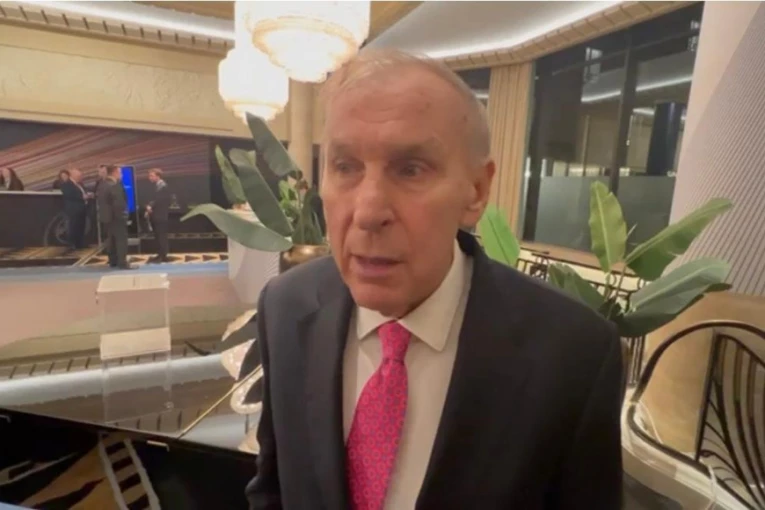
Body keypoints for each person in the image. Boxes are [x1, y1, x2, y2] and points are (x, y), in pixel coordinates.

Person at [245, 49, 624, 510]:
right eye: (345, 167)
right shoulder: (285, 306)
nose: (367, 212)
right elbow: (272, 490)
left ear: (476, 191)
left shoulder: (573, 354)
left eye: (410, 169)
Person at [97, 165, 133, 270]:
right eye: (120, 172)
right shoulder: (114, 185)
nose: (121, 175)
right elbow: (118, 203)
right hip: (116, 217)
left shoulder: (102, 184)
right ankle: (122, 262)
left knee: (111, 239)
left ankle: (113, 261)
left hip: (106, 217)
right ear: (114, 173)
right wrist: (124, 214)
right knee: (121, 239)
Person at [145, 168, 171, 263]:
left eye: (152, 176)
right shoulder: (156, 186)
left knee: (161, 236)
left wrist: (151, 206)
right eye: (149, 176)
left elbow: (160, 200)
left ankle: (163, 256)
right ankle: (160, 254)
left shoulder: (163, 186)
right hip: (156, 215)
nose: (150, 178)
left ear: (158, 176)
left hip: (161, 215)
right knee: (158, 236)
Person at [60, 168, 90, 249]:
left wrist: (88, 195)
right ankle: (72, 244)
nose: (81, 177)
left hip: (82, 209)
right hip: (73, 210)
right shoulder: (67, 184)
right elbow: (69, 195)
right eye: (79, 176)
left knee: (81, 227)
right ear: (73, 175)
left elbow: (84, 192)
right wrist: (82, 197)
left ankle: (80, 243)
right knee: (73, 227)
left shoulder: (80, 184)